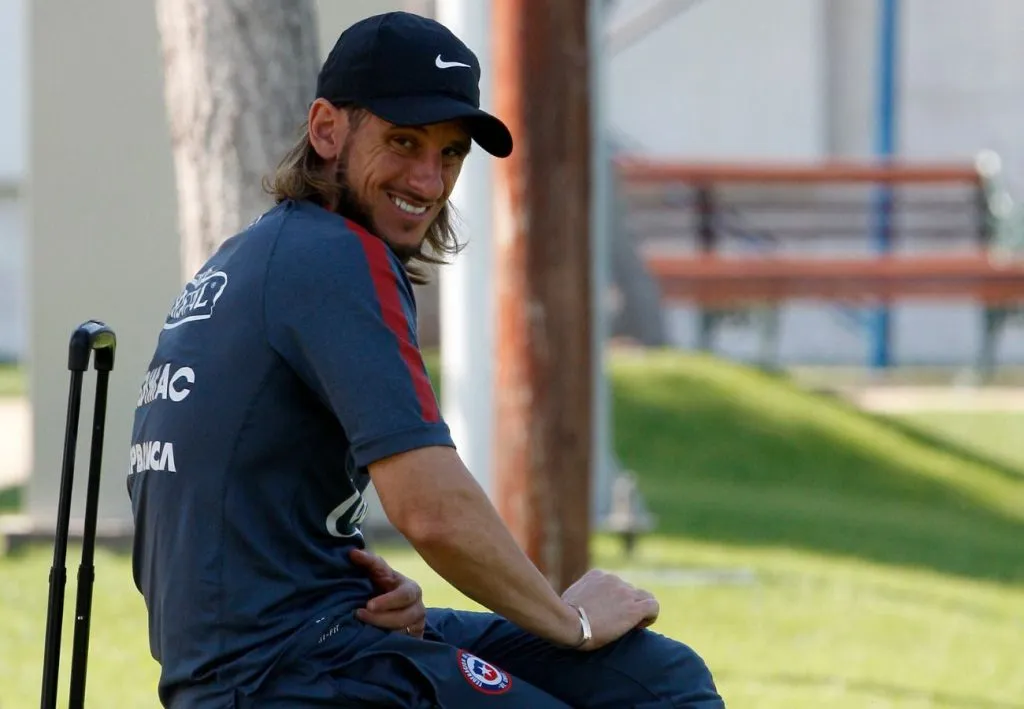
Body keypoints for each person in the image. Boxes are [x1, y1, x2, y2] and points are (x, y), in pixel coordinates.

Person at [126, 10, 724, 708]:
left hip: (297, 642)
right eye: (404, 141)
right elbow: (432, 509)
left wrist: (338, 576)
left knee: (658, 679)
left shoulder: (259, 254)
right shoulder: (339, 258)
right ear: (326, 130)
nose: (429, 181)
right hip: (285, 673)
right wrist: (572, 620)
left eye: (450, 153)